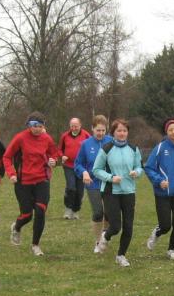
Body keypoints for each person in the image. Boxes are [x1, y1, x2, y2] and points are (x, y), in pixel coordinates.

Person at [3, 112, 61, 256]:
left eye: (40, 126)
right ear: (29, 125)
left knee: (40, 211)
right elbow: (7, 157)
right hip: (23, 182)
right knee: (27, 215)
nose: (37, 129)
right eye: (34, 126)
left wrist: (54, 160)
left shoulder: (47, 138)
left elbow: (55, 153)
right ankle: (16, 227)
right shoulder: (20, 138)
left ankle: (35, 245)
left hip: (42, 180)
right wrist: (11, 173)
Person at [92, 119, 143, 267]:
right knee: (115, 227)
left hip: (129, 191)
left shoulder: (133, 149)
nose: (122, 133)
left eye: (124, 131)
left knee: (128, 226)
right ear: (113, 133)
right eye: (119, 131)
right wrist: (111, 177)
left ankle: (121, 255)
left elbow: (139, 167)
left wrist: (136, 172)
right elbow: (96, 170)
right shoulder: (106, 149)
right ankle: (105, 236)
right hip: (110, 192)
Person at [144, 118, 174, 260]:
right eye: (170, 130)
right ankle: (157, 233)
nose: (173, 132)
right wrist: (159, 181)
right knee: (165, 225)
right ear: (167, 131)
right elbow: (149, 168)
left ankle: (171, 250)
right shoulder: (160, 148)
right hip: (162, 193)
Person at [73, 114, 113, 253]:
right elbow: (78, 164)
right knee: (98, 212)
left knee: (109, 213)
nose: (100, 133)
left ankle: (104, 237)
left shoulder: (112, 142)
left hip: (109, 182)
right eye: (98, 130)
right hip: (93, 183)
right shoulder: (86, 144)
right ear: (92, 128)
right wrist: (84, 172)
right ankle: (98, 241)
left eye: (103, 130)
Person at [58, 117, 90, 219]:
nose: (74, 128)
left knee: (80, 191)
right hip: (68, 166)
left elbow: (91, 148)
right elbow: (59, 149)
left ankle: (75, 210)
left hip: (82, 167)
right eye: (72, 126)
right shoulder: (65, 136)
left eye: (76, 126)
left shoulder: (86, 135)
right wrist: (62, 156)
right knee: (71, 187)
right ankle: (68, 209)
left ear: (80, 125)